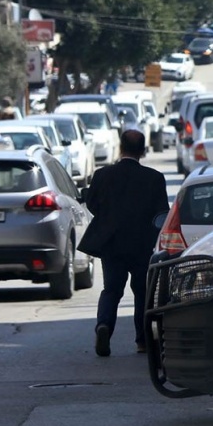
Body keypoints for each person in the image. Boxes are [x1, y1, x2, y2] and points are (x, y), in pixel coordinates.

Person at [77, 128, 169, 357]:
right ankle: (143, 341)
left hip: (112, 243)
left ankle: (104, 325)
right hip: (142, 245)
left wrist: (109, 219)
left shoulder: (102, 175)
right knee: (142, 292)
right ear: (143, 151)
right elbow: (162, 213)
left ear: (120, 148)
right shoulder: (154, 178)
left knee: (111, 290)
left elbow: (92, 204)